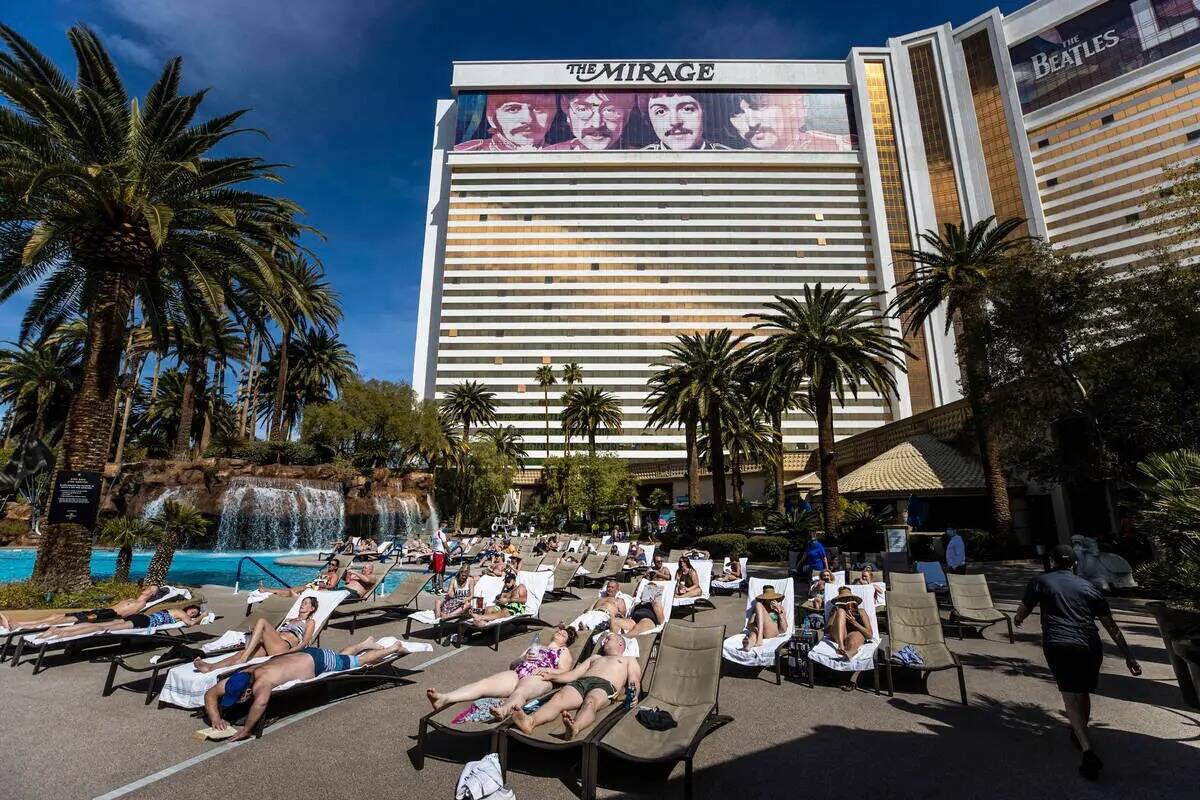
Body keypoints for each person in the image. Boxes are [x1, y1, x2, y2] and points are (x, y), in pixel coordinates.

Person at [1014, 545, 1142, 780]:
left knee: (1070, 696)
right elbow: (1110, 625)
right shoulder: (1089, 587)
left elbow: (1024, 609)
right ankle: (1080, 730)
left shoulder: (1041, 582)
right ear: (1074, 564)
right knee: (1082, 692)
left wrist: (1018, 619)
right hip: (1090, 647)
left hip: (1060, 645)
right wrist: (1129, 655)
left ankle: (1087, 749)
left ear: (1052, 562)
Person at [204, 636, 412, 741]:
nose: (235, 701)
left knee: (358, 662)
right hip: (306, 654)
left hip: (318, 661)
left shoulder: (262, 683)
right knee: (342, 658)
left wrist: (246, 730)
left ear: (248, 691)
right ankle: (364, 642)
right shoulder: (240, 677)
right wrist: (215, 719)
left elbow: (261, 704)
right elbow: (210, 694)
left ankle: (394, 647)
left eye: (237, 698)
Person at [510, 631, 643, 740]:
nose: (603, 641)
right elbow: (573, 675)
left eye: (608, 638)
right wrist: (551, 676)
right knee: (558, 698)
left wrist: (634, 695)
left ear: (620, 642)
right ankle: (530, 721)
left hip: (605, 685)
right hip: (582, 682)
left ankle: (575, 727)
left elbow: (634, 680)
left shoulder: (628, 660)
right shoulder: (595, 657)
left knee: (591, 702)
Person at [425, 625, 579, 718]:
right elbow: (513, 664)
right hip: (518, 671)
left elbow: (565, 672)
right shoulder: (536, 647)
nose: (560, 633)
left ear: (566, 641)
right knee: (483, 684)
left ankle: (505, 710)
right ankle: (445, 698)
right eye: (560, 631)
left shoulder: (563, 651)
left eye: (564, 634)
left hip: (540, 677)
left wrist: (547, 670)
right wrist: (524, 658)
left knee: (521, 692)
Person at [194, 597, 319, 673]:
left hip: (284, 647)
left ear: (312, 609)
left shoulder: (309, 622)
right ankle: (210, 667)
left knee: (262, 621)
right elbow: (274, 634)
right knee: (241, 653)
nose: (303, 604)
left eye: (306, 603)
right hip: (272, 644)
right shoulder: (289, 619)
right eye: (303, 602)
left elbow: (305, 642)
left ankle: (245, 657)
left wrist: (290, 652)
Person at [1, 584, 175, 632]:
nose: (146, 588)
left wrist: (103, 615)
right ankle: (19, 622)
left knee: (63, 620)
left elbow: (118, 614)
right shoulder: (132, 598)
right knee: (56, 614)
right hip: (100, 611)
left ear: (152, 595)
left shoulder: (140, 604)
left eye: (150, 589)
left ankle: (20, 626)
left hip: (104, 615)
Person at [727, 92, 853, 151]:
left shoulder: (841, 148)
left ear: (790, 107)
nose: (752, 123)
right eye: (738, 114)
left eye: (760, 106)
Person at [30, 603, 205, 643]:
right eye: (192, 611)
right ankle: (62, 633)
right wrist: (201, 616)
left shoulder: (175, 613)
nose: (191, 614)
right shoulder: (180, 612)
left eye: (194, 613)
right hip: (143, 622)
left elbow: (187, 622)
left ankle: (60, 630)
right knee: (102, 628)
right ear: (188, 609)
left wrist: (198, 616)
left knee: (104, 627)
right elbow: (189, 624)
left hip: (140, 619)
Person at [454, 93, 556, 151]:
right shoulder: (468, 151)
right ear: (492, 117)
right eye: (513, 109)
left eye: (538, 109)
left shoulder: (560, 152)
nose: (528, 119)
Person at [546, 91, 635, 151]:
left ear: (626, 117)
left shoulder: (640, 158)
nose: (596, 124)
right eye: (583, 109)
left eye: (610, 110)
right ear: (568, 115)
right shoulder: (548, 156)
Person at [640, 92, 729, 151]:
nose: (675, 121)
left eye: (687, 109)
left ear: (705, 113)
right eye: (661, 111)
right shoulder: (638, 161)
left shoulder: (729, 157)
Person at [260, 558, 342, 598]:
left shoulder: (334, 575)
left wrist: (321, 586)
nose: (330, 566)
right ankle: (269, 591)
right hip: (312, 585)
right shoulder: (324, 572)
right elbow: (316, 580)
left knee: (293, 590)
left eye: (333, 565)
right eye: (330, 564)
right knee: (292, 589)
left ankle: (267, 590)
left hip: (318, 588)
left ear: (336, 567)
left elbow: (332, 586)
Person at [827, 586, 871, 660]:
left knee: (853, 641)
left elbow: (869, 635)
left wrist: (854, 623)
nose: (846, 601)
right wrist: (835, 613)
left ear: (852, 599)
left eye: (848, 599)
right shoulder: (835, 610)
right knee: (841, 611)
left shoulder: (861, 611)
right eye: (843, 599)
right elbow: (827, 630)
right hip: (839, 634)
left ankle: (850, 652)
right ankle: (841, 646)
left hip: (854, 632)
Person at [742, 586, 788, 651]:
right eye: (768, 598)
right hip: (760, 632)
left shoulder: (780, 608)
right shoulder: (760, 608)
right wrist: (755, 627)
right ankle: (748, 645)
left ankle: (759, 637)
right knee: (754, 633)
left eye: (772, 598)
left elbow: (784, 630)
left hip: (771, 633)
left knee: (758, 604)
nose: (771, 600)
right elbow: (749, 625)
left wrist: (779, 611)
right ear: (764, 599)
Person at [431, 525, 448, 593]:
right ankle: (440, 589)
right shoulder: (442, 534)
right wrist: (450, 553)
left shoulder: (435, 533)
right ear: (443, 526)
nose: (446, 529)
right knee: (441, 572)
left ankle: (433, 588)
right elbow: (445, 544)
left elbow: (434, 544)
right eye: (446, 527)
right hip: (440, 555)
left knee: (435, 571)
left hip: (435, 554)